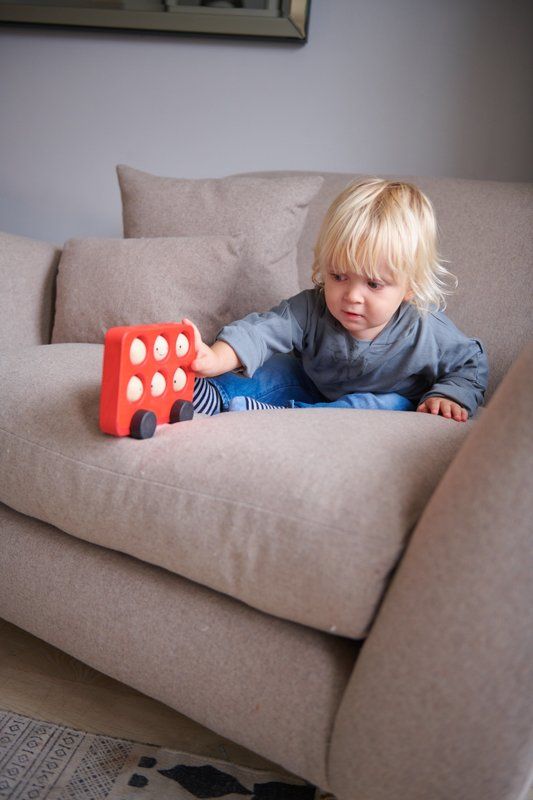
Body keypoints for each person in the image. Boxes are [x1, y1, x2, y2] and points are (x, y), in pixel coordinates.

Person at [185, 178, 488, 422]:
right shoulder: (311, 309)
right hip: (311, 384)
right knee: (275, 368)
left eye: (373, 284)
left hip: (381, 400)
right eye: (339, 276)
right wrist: (213, 359)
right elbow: (261, 331)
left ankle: (285, 418)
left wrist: (450, 394)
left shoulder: (424, 329)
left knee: (382, 404)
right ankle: (205, 394)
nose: (352, 296)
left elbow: (470, 362)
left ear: (410, 287)